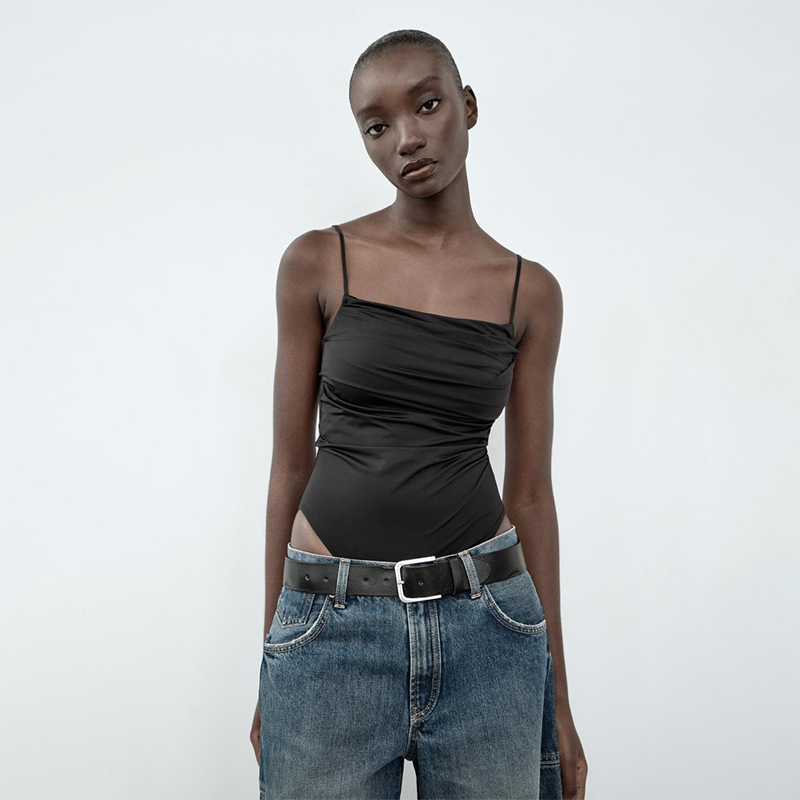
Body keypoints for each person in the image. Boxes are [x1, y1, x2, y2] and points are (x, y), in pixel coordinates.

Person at [250, 29, 587, 800]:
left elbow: (531, 496)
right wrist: (276, 652)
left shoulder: (530, 293)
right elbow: (289, 468)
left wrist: (558, 699)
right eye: (377, 125)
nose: (405, 138)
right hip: (329, 628)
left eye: (427, 105)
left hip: (489, 632)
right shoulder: (317, 263)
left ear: (468, 106)